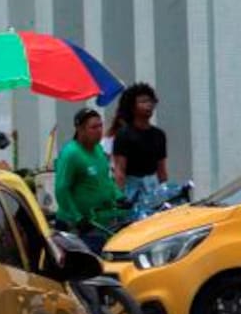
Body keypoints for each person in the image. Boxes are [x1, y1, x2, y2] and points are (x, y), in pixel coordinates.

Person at [55, 108, 123, 254]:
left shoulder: (98, 149)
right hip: (77, 226)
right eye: (93, 127)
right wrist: (78, 218)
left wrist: (119, 197)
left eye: (100, 126)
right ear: (80, 129)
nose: (99, 131)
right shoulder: (71, 154)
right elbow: (61, 189)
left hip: (100, 222)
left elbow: (106, 179)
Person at [111, 82, 168, 205]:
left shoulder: (159, 134)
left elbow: (161, 168)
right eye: (143, 102)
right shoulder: (124, 134)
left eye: (150, 101)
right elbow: (120, 169)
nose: (148, 105)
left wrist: (165, 190)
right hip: (132, 188)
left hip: (153, 188)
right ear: (132, 107)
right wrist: (120, 196)